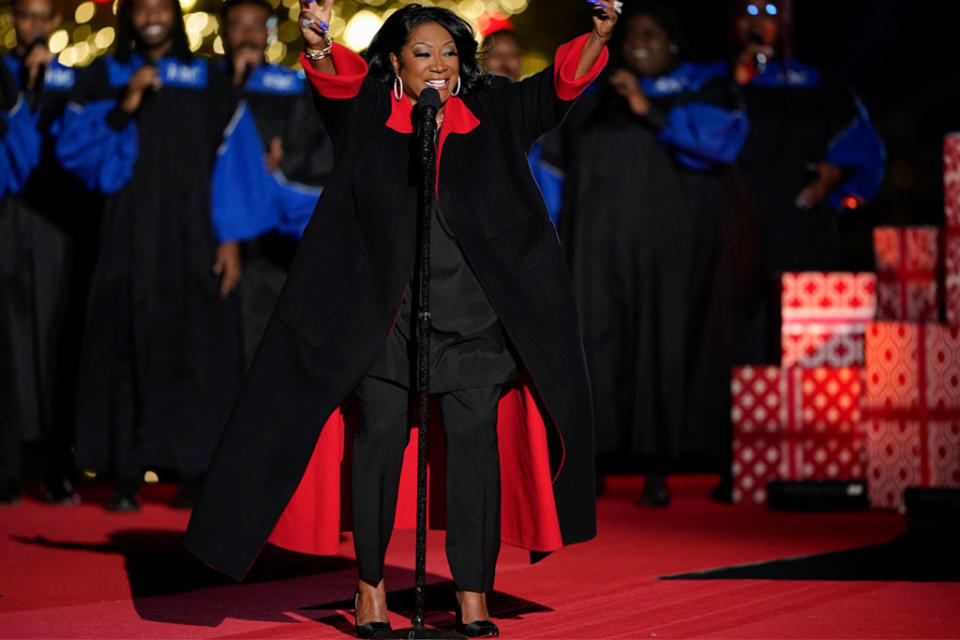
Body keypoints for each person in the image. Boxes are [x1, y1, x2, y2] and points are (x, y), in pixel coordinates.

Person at [185, 1, 617, 636]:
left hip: (474, 318)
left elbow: (556, 90)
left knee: (474, 451)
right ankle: (369, 587)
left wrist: (598, 35)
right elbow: (332, 84)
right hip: (382, 320)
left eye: (448, 54)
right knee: (379, 442)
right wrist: (321, 43)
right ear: (394, 62)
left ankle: (473, 592)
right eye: (423, 53)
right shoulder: (367, 110)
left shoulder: (494, 107)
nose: (439, 65)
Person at [56, 0, 272, 511]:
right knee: (126, 346)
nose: (151, 13)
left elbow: (233, 160)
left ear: (174, 15)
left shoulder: (206, 78)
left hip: (195, 236)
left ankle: (195, 471)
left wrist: (232, 238)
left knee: (197, 351)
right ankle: (126, 473)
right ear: (128, 16)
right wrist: (124, 105)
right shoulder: (105, 75)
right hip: (125, 236)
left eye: (161, 4)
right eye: (141, 5)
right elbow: (72, 151)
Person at [559, 3, 752, 506]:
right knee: (598, 351)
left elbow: (720, 143)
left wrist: (649, 108)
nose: (636, 43)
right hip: (598, 253)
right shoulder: (599, 101)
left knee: (659, 348)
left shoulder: (702, 90)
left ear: (673, 44)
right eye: (631, 36)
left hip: (668, 252)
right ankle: (594, 461)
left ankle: (659, 465)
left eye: (650, 34)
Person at [730, 0, 885, 363]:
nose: (758, 23)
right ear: (735, 23)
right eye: (748, 13)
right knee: (736, 358)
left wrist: (841, 173)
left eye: (768, 11)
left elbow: (869, 156)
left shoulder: (820, 87)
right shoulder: (713, 83)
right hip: (730, 248)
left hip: (801, 241)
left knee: (804, 361)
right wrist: (734, 83)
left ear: (785, 22)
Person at [0, 0, 94, 505]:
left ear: (56, 22)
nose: (33, 26)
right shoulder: (3, 75)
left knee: (56, 340)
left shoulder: (75, 81)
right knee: (8, 343)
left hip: (57, 227)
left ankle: (58, 465)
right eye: (24, 15)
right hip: (7, 218)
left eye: (42, 17)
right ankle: (8, 466)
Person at [217, 0, 331, 359]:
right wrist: (234, 87)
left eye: (257, 24)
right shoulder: (204, 85)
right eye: (238, 24)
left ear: (269, 31)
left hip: (274, 243)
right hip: (212, 232)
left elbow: (313, 149)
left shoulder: (291, 87)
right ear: (223, 32)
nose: (249, 33)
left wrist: (283, 165)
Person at [481, 25, 565, 226]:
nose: (504, 62)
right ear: (480, 62)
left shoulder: (542, 117)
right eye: (495, 55)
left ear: (521, 63)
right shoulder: (463, 115)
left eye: (512, 55)